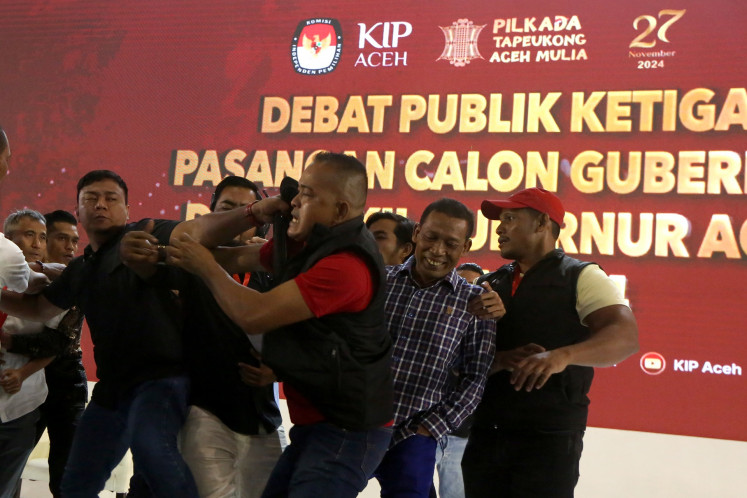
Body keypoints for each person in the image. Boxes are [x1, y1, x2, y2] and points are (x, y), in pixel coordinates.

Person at [164, 152, 394, 498]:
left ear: (341, 211)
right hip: (315, 424)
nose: (295, 202)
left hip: (348, 430)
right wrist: (253, 212)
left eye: (309, 194)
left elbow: (254, 313)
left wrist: (206, 268)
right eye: (297, 191)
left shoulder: (347, 267)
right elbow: (191, 241)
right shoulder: (309, 244)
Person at [0, 170, 200, 497]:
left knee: (156, 459)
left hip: (159, 382)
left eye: (111, 199)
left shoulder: (144, 236)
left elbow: (195, 230)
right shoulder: (81, 269)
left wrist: (251, 214)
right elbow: (37, 309)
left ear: (127, 210)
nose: (101, 205)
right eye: (91, 199)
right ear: (78, 211)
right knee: (75, 485)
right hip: (110, 392)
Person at [462, 187, 639, 498]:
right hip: (485, 434)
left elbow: (625, 336)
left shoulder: (582, 276)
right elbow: (460, 357)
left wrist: (562, 356)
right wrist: (496, 355)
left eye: (510, 218)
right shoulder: (491, 282)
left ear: (542, 223)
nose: (499, 228)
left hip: (549, 437)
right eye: (500, 220)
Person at [122, 175, 285, 498]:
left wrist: (280, 368)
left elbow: (300, 334)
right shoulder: (188, 263)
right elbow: (149, 270)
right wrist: (134, 254)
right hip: (206, 412)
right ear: (211, 217)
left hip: (263, 417)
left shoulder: (275, 271)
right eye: (227, 209)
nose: (239, 218)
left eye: (247, 210)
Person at [372, 199, 499, 498]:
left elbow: (475, 378)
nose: (438, 250)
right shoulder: (379, 282)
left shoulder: (475, 302)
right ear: (416, 232)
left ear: (465, 247)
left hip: (414, 434)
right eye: (431, 237)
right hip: (357, 423)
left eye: (451, 243)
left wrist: (431, 428)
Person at [3, 209, 85, 498]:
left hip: (53, 385)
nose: (70, 247)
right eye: (60, 238)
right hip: (21, 388)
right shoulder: (8, 269)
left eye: (74, 241)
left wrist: (10, 345)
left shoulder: (65, 279)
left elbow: (60, 342)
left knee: (67, 475)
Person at [0, 209, 60, 498]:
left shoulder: (48, 286)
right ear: (8, 240)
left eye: (42, 237)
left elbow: (55, 343)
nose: (37, 242)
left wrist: (22, 373)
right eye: (28, 234)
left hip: (20, 406)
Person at [429, 262, 487, 498]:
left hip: (464, 435)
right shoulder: (435, 322)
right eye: (462, 283)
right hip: (426, 430)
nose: (468, 291)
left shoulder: (489, 330)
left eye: (474, 285)